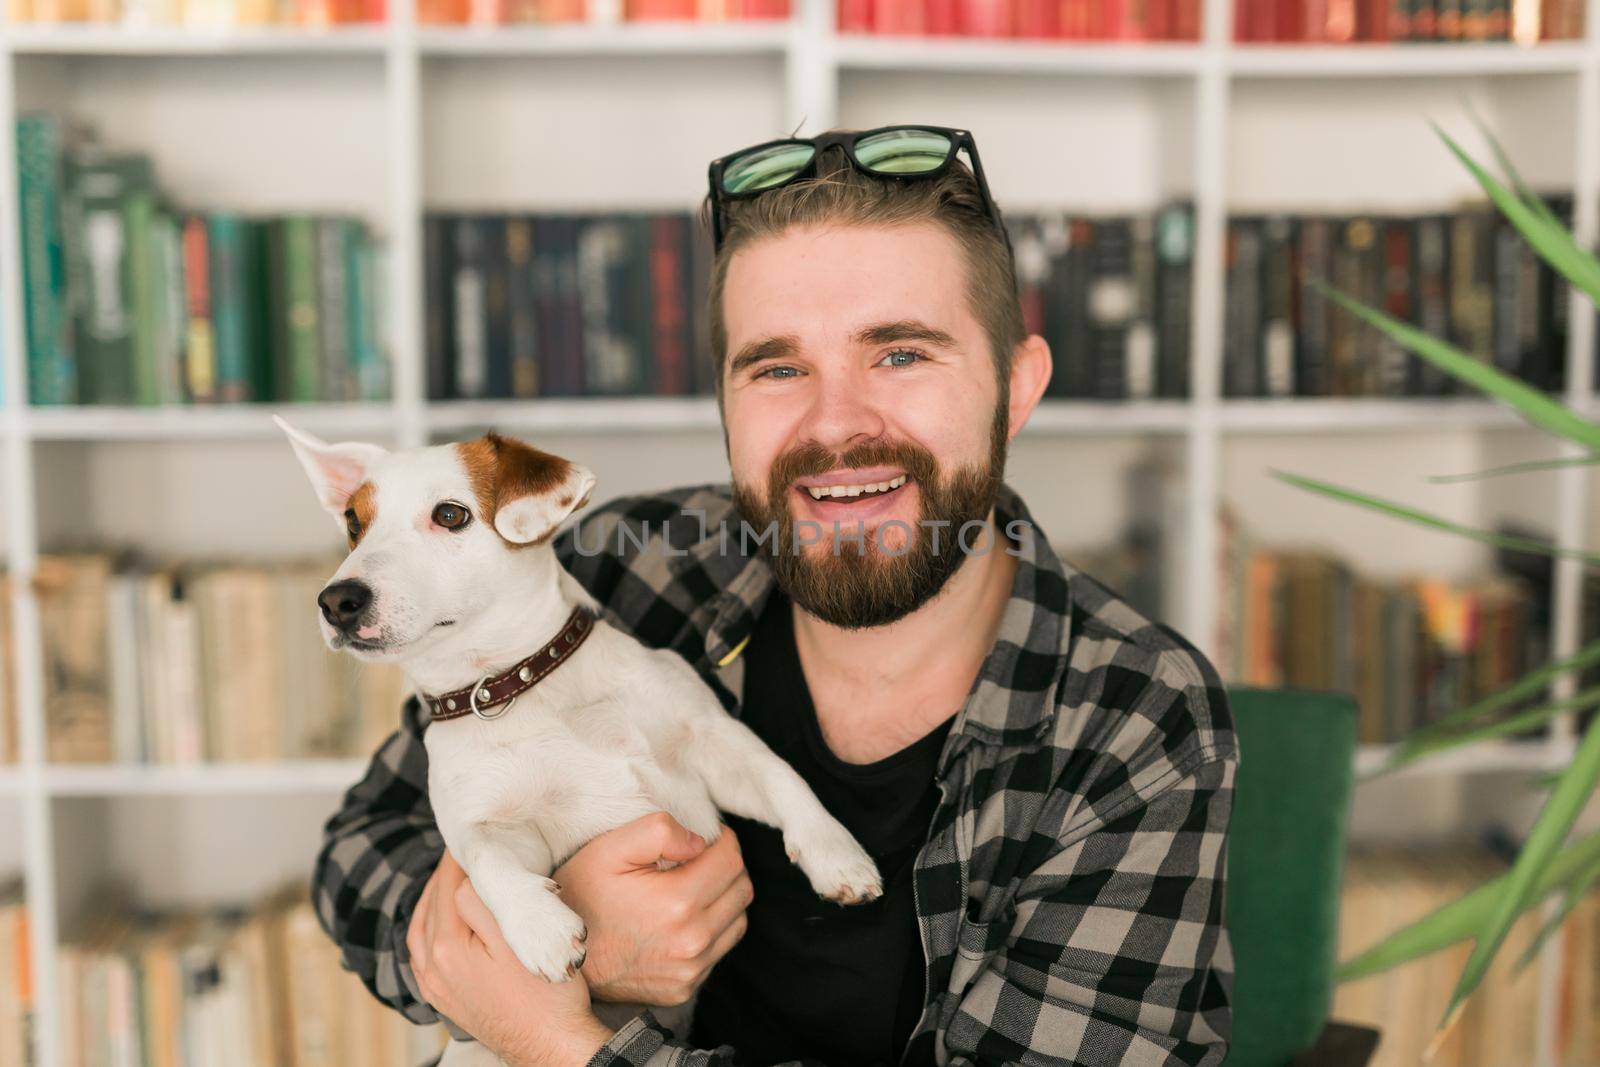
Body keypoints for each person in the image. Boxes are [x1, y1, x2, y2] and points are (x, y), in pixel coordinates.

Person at [313, 125, 1238, 1067]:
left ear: (1016, 387)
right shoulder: (623, 568)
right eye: (779, 368)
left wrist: (562, 1035)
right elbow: (358, 856)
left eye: (902, 354)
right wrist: (565, 918)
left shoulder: (1137, 715)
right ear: (724, 403)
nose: (836, 424)